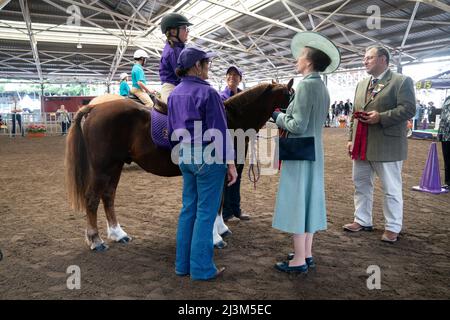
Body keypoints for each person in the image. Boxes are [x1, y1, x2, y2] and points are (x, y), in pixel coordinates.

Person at [271, 31, 340, 273]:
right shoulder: (322, 87)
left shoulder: (305, 87)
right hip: (315, 151)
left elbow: (297, 125)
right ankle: (306, 253)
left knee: (297, 201)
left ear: (309, 61)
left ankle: (298, 260)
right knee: (310, 200)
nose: (296, 60)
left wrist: (279, 116)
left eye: (300, 56)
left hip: (300, 152)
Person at [167, 46, 238, 280]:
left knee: (188, 210)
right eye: (207, 63)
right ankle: (202, 269)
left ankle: (182, 265)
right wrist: (230, 163)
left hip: (184, 156)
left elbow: (170, 132)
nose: (209, 67)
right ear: (197, 66)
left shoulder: (174, 94)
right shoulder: (209, 94)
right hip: (207, 157)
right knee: (205, 214)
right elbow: (219, 131)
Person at [344, 46, 416, 243]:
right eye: (364, 58)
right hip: (361, 145)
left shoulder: (401, 81)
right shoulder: (361, 84)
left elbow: (409, 109)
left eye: (369, 58)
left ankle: (393, 226)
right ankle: (362, 219)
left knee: (391, 188)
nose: (364, 61)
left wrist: (381, 117)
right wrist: (350, 138)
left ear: (383, 59)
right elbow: (355, 114)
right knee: (361, 184)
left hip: (387, 145)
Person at [219, 65, 250, 222]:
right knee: (227, 176)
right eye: (229, 74)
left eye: (235, 75)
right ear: (226, 78)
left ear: (240, 79)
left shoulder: (245, 97)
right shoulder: (221, 97)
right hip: (227, 141)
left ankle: (236, 209)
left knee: (238, 176)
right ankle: (226, 212)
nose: (232, 77)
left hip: (241, 141)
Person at [159, 13, 192, 103]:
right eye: (185, 28)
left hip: (178, 86)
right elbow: (183, 75)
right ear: (173, 31)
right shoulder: (172, 51)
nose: (187, 31)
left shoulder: (179, 48)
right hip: (171, 88)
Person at [438, 96, 450, 190]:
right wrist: (440, 133)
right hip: (445, 134)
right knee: (447, 160)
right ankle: (448, 182)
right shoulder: (447, 99)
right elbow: (443, 117)